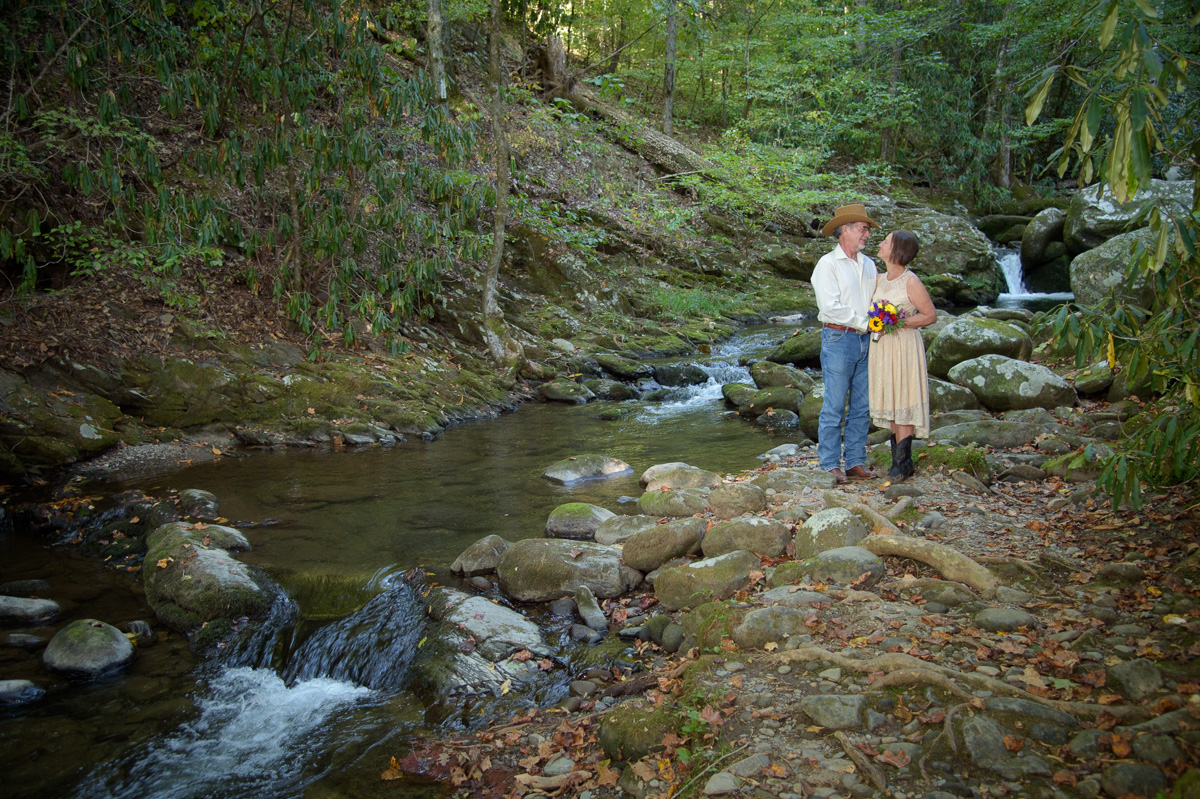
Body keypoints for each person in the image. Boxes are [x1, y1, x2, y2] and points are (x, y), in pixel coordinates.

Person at [812, 204, 879, 484]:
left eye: (866, 230)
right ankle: (829, 463)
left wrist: (878, 322)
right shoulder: (827, 264)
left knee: (862, 405)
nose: (867, 234)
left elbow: (875, 303)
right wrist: (865, 323)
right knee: (835, 405)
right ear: (846, 230)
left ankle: (854, 462)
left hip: (867, 340)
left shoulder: (869, 264)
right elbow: (830, 306)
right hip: (838, 338)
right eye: (863, 229)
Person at [868, 230, 936, 482]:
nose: (880, 243)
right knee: (892, 397)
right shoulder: (879, 279)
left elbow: (929, 316)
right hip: (882, 348)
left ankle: (903, 463)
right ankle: (898, 460)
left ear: (897, 250)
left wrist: (896, 320)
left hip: (904, 346)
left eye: (885, 241)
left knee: (904, 396)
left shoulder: (911, 281)